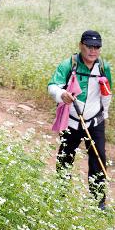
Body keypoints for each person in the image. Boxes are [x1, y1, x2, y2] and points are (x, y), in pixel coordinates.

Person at [48, 30, 112, 209]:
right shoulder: (69, 64)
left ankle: (98, 201)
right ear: (80, 45)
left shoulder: (103, 67)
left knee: (98, 160)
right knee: (65, 156)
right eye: (89, 46)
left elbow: (107, 93)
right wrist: (62, 94)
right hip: (72, 120)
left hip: (95, 121)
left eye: (97, 47)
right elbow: (52, 85)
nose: (93, 51)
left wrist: (103, 115)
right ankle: (59, 194)